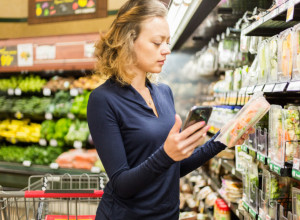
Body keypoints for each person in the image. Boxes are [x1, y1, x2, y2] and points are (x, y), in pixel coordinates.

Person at [87, 0, 252, 219]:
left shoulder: (164, 93)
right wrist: (166, 154)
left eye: (167, 42)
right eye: (157, 42)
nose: (166, 50)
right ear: (128, 41)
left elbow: (174, 168)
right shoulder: (103, 100)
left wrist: (222, 139)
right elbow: (121, 185)